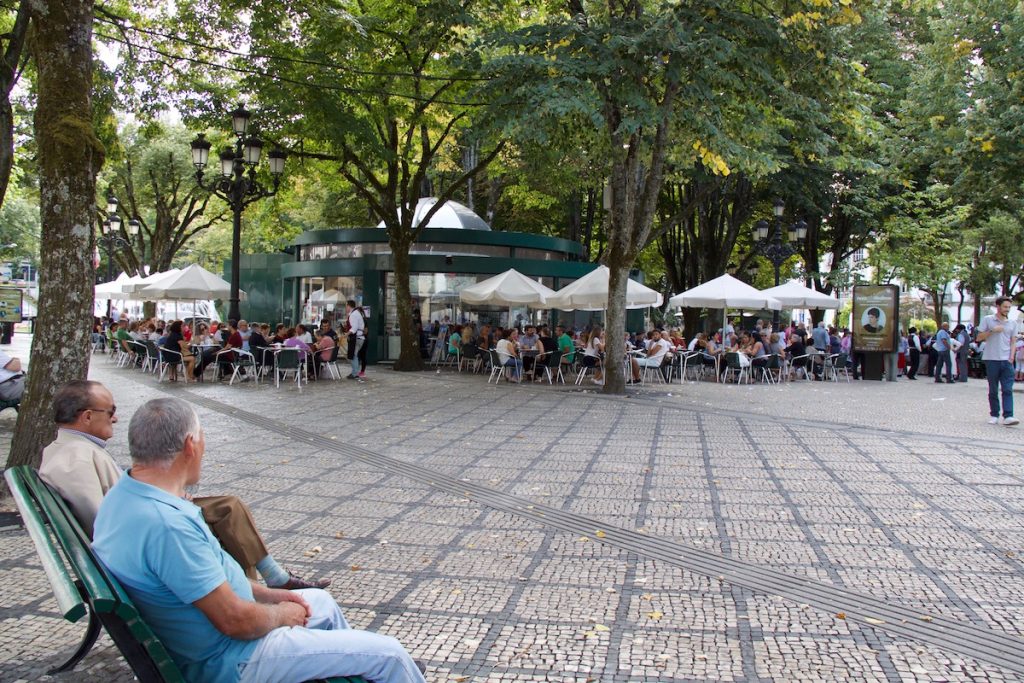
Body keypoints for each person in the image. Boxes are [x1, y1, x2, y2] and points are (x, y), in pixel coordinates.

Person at [91, 397, 425, 683]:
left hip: (217, 638)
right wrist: (279, 614)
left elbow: (208, 581)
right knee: (390, 655)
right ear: (190, 446)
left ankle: (348, 669)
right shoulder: (166, 526)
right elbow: (233, 620)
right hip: (232, 659)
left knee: (318, 602)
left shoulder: (127, 494)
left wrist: (271, 594)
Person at [39, 381, 328, 589]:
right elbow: (105, 520)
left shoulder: (71, 449)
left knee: (229, 506)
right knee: (228, 510)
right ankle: (256, 588)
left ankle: (264, 582)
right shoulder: (73, 459)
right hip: (146, 526)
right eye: (109, 410)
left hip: (148, 510)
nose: (115, 417)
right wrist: (169, 501)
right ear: (87, 416)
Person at [975, 296, 1020, 426]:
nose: (1007, 309)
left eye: (1009, 307)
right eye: (1005, 307)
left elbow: (1013, 342)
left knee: (1007, 389)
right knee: (993, 389)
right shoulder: (988, 320)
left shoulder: (1012, 323)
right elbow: (978, 338)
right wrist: (993, 330)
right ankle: (994, 414)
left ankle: (1008, 415)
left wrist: (1011, 357)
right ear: (998, 307)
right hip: (991, 359)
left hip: (1007, 360)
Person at [345, 300, 365, 381]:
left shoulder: (353, 315)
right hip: (359, 338)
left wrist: (346, 334)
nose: (346, 308)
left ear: (349, 306)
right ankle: (354, 372)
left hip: (357, 338)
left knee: (353, 356)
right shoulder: (356, 313)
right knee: (354, 355)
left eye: (346, 306)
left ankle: (355, 373)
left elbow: (354, 328)